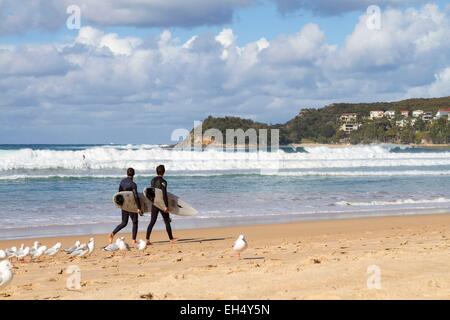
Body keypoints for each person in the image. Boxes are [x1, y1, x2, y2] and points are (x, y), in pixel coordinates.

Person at [109, 168, 142, 245]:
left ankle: (112, 234)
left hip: (124, 204)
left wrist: (119, 204)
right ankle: (133, 240)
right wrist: (139, 208)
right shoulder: (133, 184)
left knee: (124, 223)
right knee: (135, 222)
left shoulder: (122, 182)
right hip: (131, 205)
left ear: (127, 174)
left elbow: (119, 194)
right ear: (133, 174)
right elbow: (136, 196)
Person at [146, 165, 176, 245]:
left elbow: (151, 192)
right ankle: (171, 239)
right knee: (167, 221)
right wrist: (166, 206)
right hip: (162, 204)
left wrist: (152, 202)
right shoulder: (163, 181)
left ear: (156, 171)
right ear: (164, 172)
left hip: (155, 203)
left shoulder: (152, 180)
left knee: (152, 221)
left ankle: (147, 239)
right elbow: (164, 194)